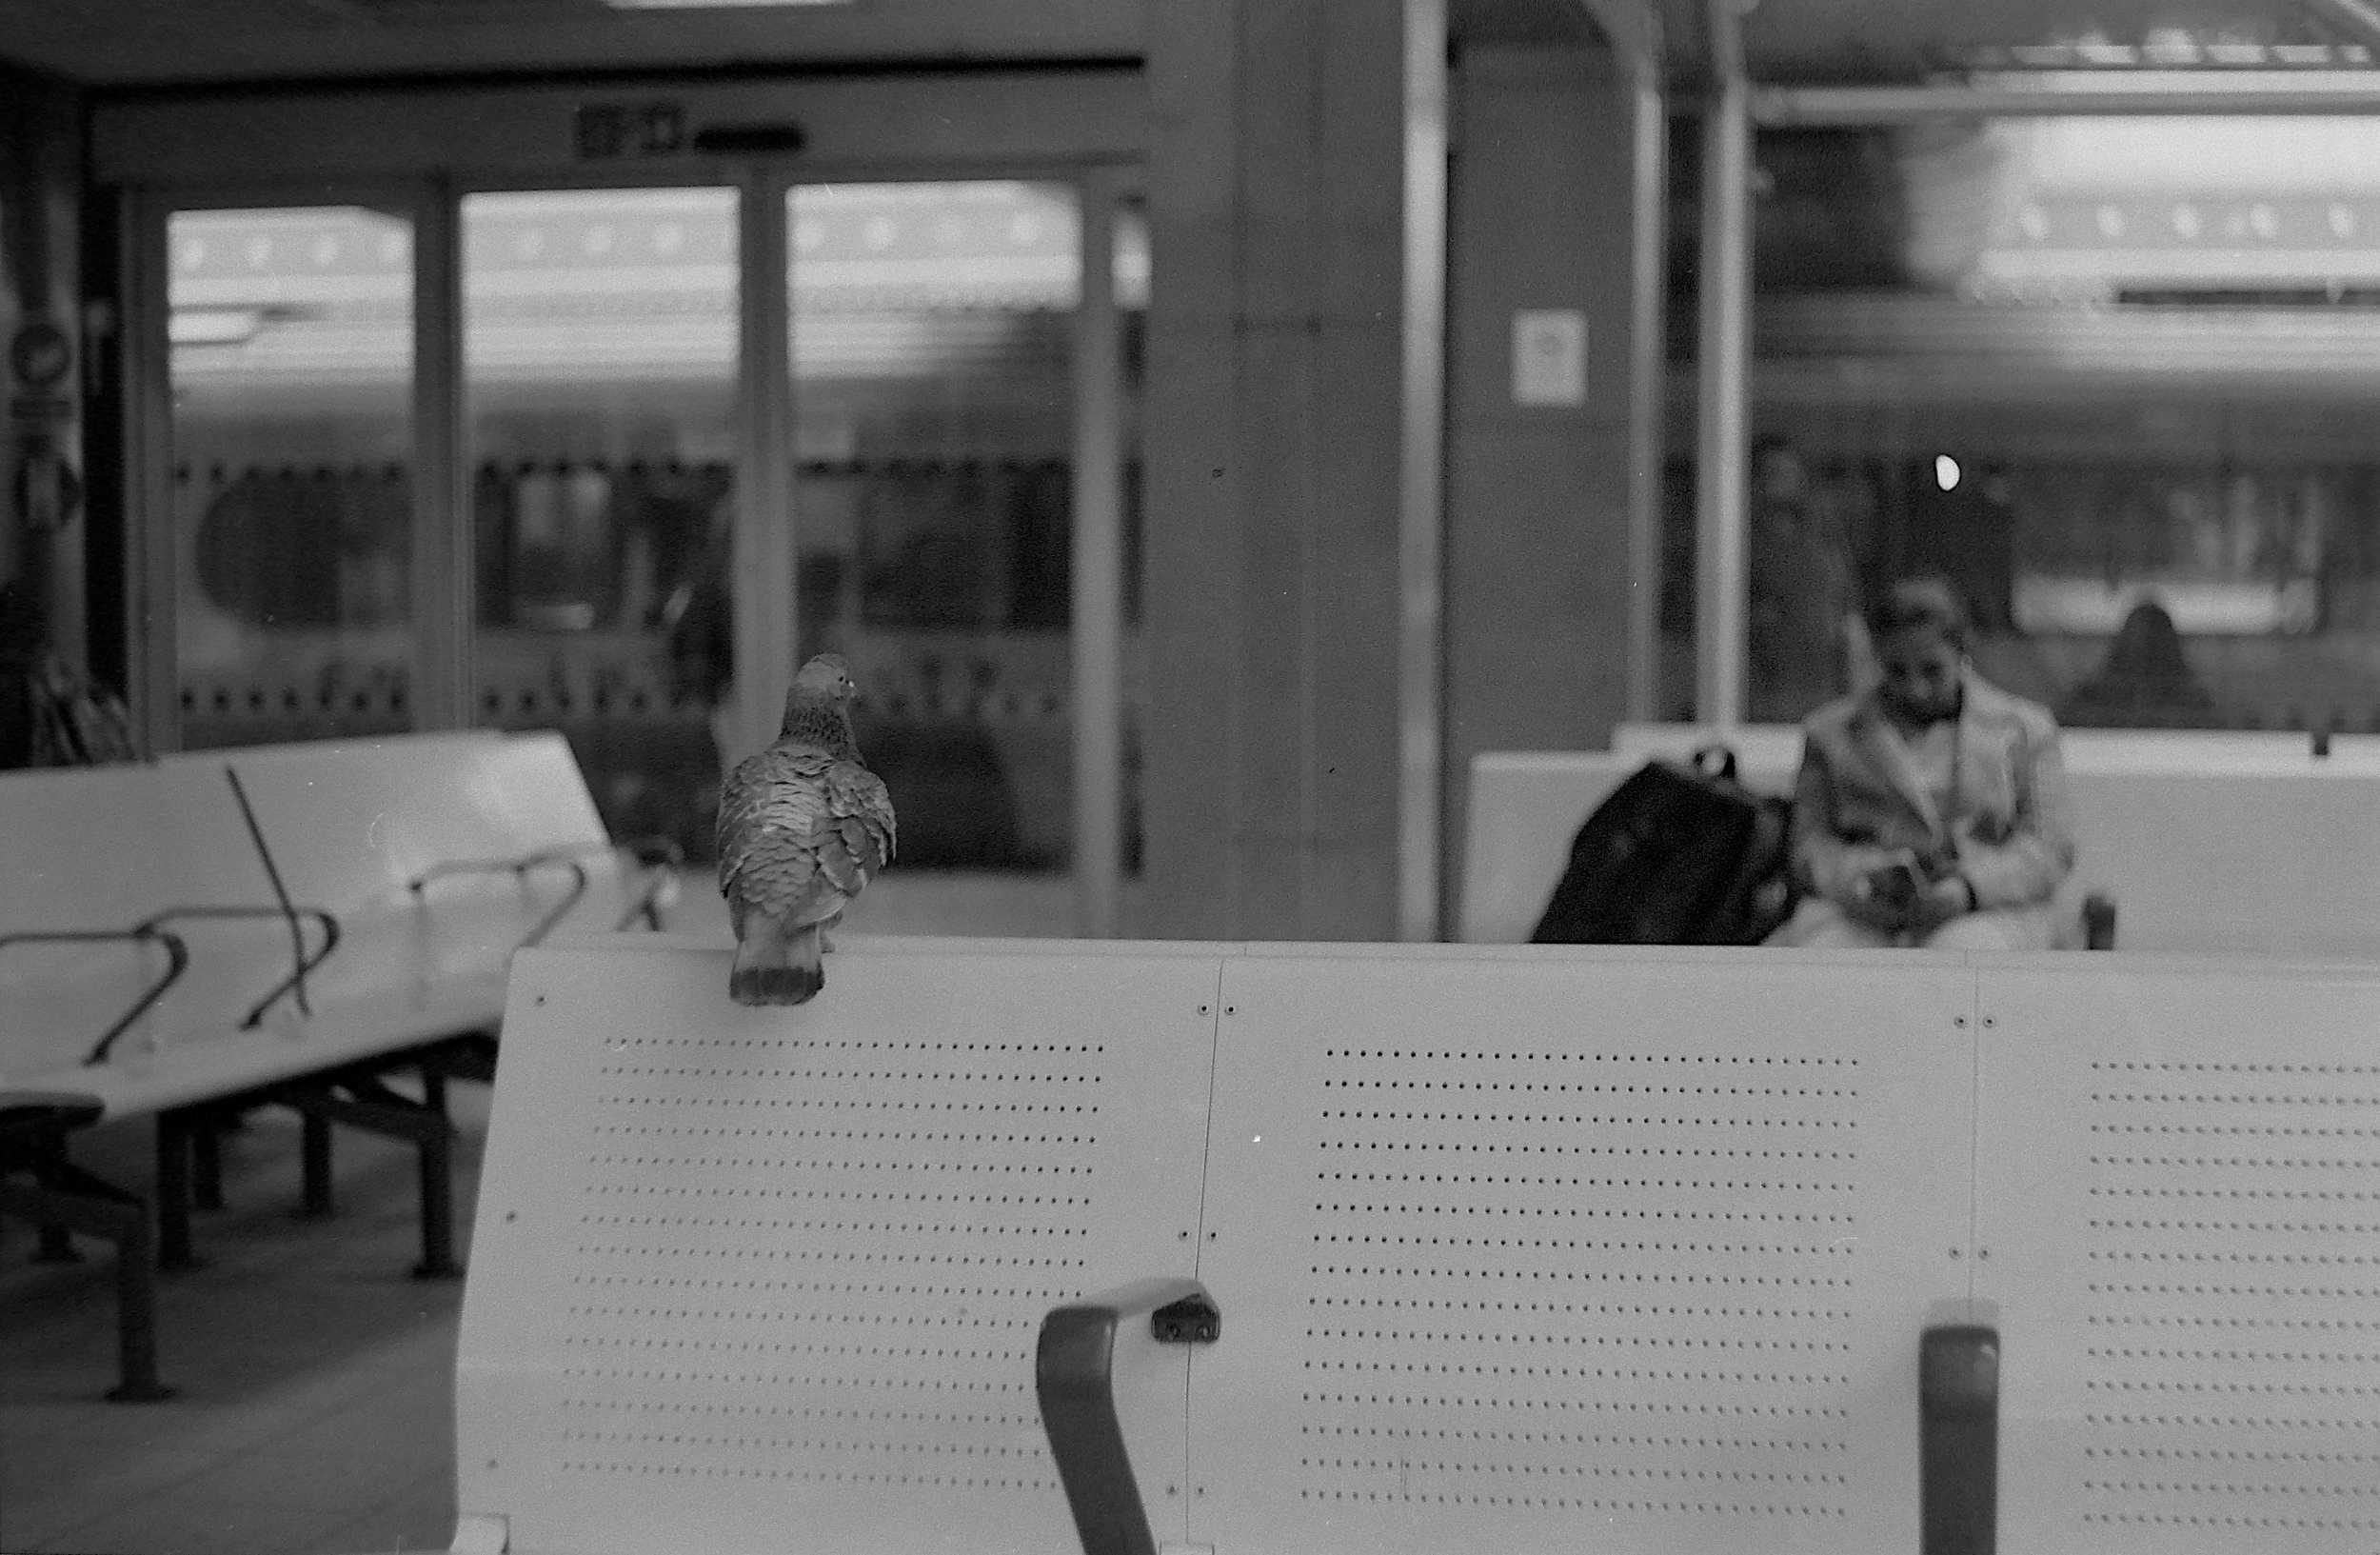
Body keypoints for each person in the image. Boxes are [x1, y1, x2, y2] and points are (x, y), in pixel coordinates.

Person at [1765, 575, 2075, 950]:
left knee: (1960, 957)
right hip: (1862, 910)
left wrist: (1968, 889)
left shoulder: (2026, 731)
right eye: (1897, 671)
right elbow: (1808, 845)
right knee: (1828, 957)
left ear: (1962, 652)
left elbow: (2049, 847)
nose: (1916, 689)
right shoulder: (1830, 735)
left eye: (1932, 670)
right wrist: (1861, 878)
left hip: (1987, 909)